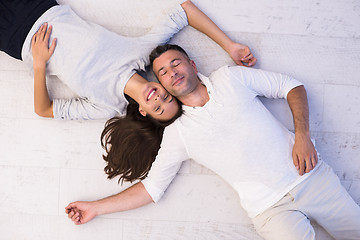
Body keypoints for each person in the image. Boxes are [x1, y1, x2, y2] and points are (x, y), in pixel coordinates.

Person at [66, 44, 360, 240]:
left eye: (175, 63)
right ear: (162, 84)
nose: (172, 73)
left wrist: (303, 137)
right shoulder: (177, 133)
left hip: (311, 179)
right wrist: (95, 208)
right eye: (163, 73)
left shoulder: (230, 79)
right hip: (271, 211)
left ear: (192, 64)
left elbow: (291, 86)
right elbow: (151, 189)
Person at [0, 0, 256, 121]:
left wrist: (39, 65)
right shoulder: (142, 54)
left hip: (15, 39)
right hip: (37, 8)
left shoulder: (108, 106)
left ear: (143, 112)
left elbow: (44, 110)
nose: (158, 98)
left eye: (157, 107)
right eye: (166, 98)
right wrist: (230, 46)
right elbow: (185, 10)